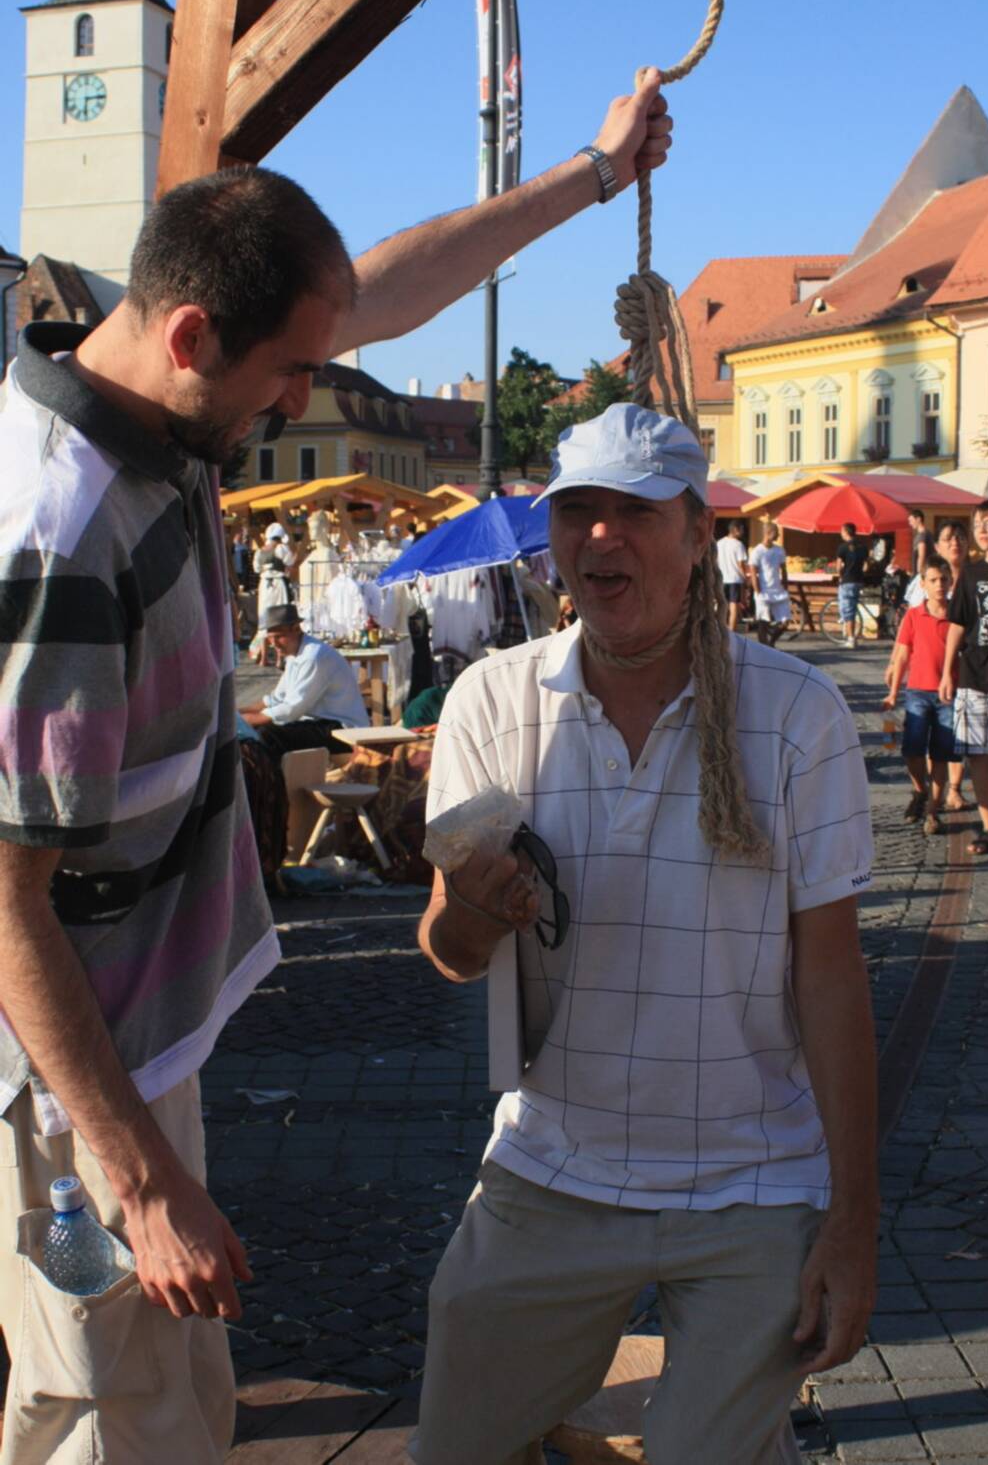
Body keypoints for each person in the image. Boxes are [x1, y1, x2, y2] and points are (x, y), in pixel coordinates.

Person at [0, 74, 671, 1464]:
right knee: (112, 1417)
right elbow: (5, 900)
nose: (306, 395)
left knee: (167, 1397)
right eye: (289, 376)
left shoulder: (159, 379)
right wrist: (138, 1178)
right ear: (193, 335)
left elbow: (386, 289)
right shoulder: (57, 533)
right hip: (61, 1079)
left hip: (128, 1039)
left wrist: (595, 175)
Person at [415, 404, 878, 1465]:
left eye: (634, 510)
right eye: (576, 509)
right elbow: (447, 950)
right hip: (551, 1165)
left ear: (698, 530)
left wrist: (853, 1222)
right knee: (455, 1448)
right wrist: (475, 908)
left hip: (756, 1181)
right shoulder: (493, 700)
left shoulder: (797, 712)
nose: (599, 536)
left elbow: (832, 976)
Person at [940, 499, 988, 856]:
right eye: (978, 523)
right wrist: (947, 672)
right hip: (974, 677)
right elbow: (958, 625)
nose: (981, 530)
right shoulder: (971, 574)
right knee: (978, 755)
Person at [883, 556, 955, 835]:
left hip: (948, 695)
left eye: (944, 579)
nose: (939, 585)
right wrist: (892, 692)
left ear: (950, 582)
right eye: (933, 580)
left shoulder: (957, 615)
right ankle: (919, 790)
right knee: (912, 749)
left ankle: (933, 811)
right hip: (917, 692)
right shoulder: (913, 615)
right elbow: (902, 655)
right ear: (923, 584)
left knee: (941, 754)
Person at [239, 602, 369, 757]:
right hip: (320, 723)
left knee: (268, 735)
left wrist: (252, 719)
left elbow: (292, 709)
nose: (274, 644)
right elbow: (276, 699)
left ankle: (276, 773)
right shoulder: (295, 654)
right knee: (256, 731)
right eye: (270, 638)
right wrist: (239, 713)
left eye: (279, 637)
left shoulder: (314, 657)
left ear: (296, 629)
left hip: (344, 730)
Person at [749, 520, 792, 646]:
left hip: (778, 591)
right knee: (763, 622)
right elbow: (753, 572)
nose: (778, 535)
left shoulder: (779, 550)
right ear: (768, 533)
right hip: (763, 590)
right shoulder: (757, 551)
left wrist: (785, 586)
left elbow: (783, 570)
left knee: (785, 621)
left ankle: (771, 642)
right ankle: (763, 647)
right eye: (776, 533)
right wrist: (757, 591)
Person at [835, 522, 868, 648]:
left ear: (846, 532)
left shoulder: (842, 547)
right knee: (852, 609)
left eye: (842, 531)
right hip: (858, 581)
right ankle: (849, 631)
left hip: (847, 580)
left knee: (848, 610)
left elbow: (838, 566)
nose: (841, 534)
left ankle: (851, 638)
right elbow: (866, 566)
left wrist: (840, 576)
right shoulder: (863, 547)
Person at [715, 518, 750, 632]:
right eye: (741, 529)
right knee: (734, 606)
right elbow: (741, 564)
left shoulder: (719, 543)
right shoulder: (738, 545)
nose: (743, 532)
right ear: (735, 529)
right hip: (735, 579)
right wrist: (745, 578)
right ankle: (731, 631)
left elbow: (715, 561)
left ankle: (719, 628)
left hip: (721, 578)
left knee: (721, 605)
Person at [908, 507, 932, 578]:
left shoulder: (922, 535)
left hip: (921, 573)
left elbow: (921, 555)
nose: (910, 523)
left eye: (911, 521)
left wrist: (919, 574)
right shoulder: (928, 533)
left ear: (918, 519)